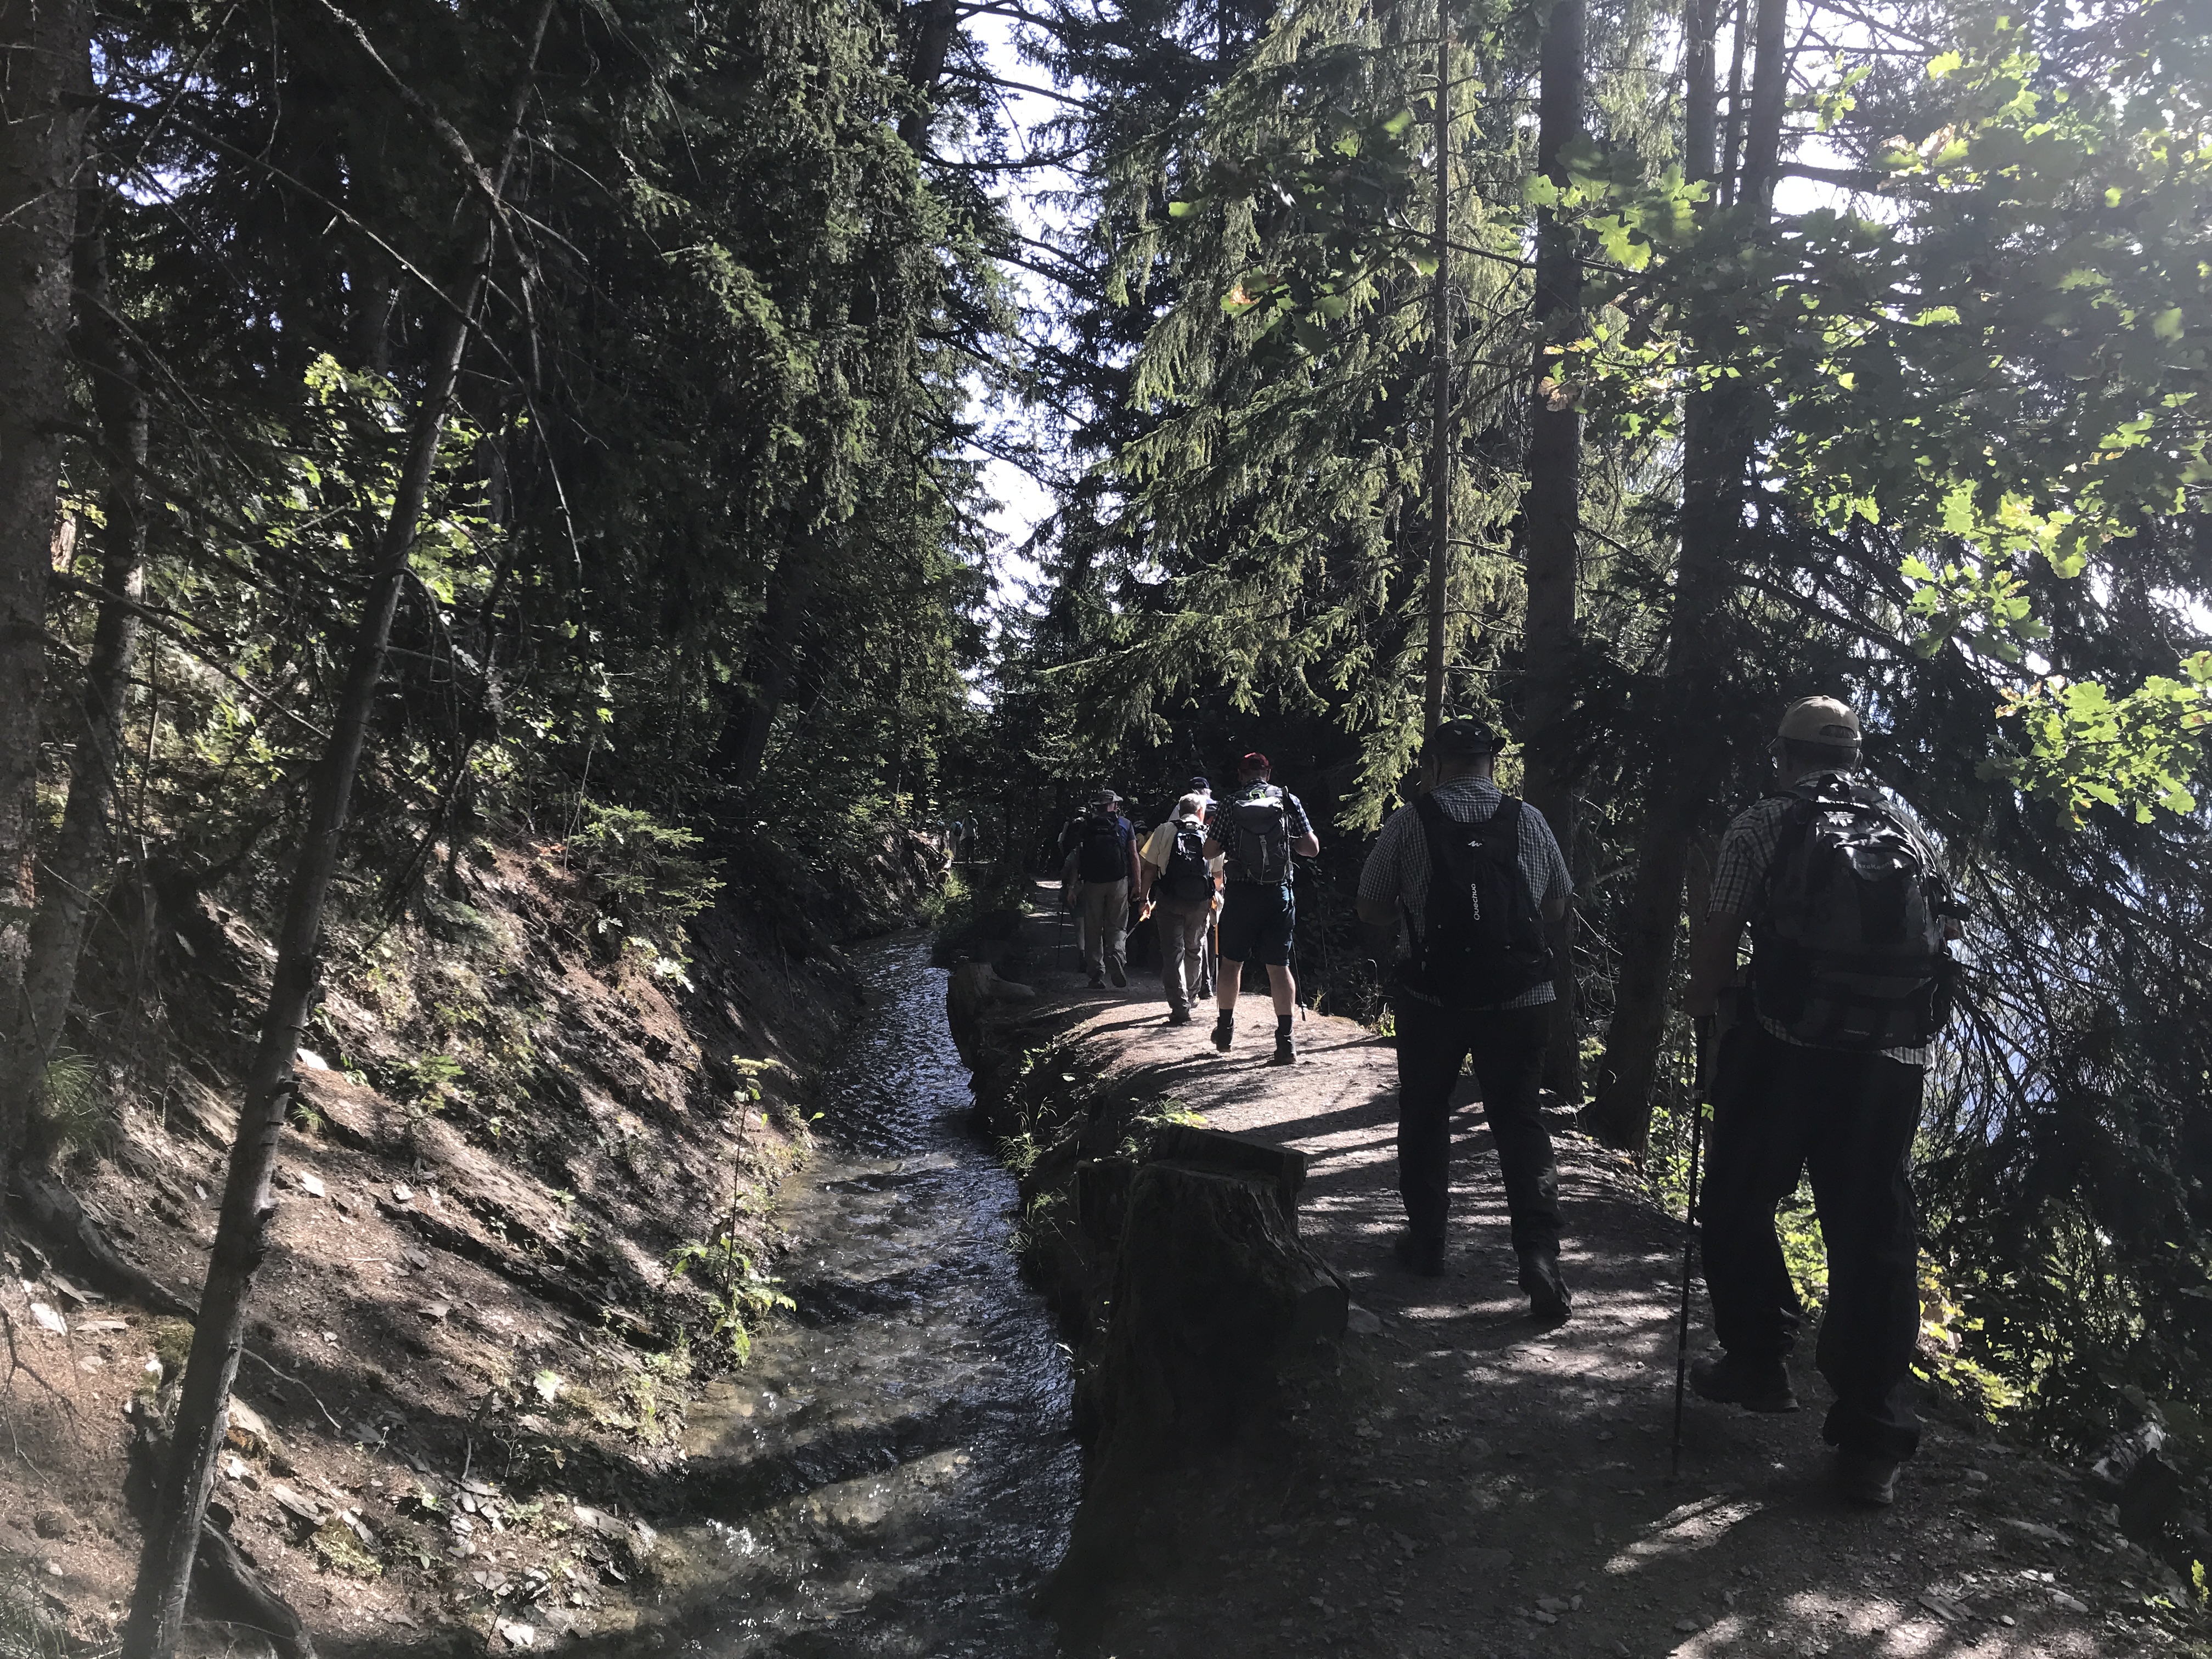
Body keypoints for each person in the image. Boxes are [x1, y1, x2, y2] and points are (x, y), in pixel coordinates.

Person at [1681, 695, 1962, 1508]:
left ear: (1783, 754)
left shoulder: (1762, 823)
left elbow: (1720, 931)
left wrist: (1702, 1000)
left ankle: (1759, 1361)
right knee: (1874, 1234)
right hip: (1889, 1062)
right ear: (1854, 757)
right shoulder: (1907, 829)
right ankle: (1874, 1441)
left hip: (1785, 1049)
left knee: (1738, 1196)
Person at [1355, 719, 1575, 1325]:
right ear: (1492, 763)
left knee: (1425, 1113)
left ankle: (1427, 1242)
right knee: (1520, 1122)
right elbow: (1556, 905)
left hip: (1434, 998)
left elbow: (1370, 905)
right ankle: (1539, 1254)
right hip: (1521, 998)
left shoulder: (1410, 821)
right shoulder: (1529, 820)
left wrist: (1413, 911)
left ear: (1436, 765)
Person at [1205, 753, 1320, 1065]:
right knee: (1279, 966)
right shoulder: (1287, 800)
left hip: (1242, 895)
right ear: (1268, 773)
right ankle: (1286, 1042)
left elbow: (1209, 851)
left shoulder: (1231, 803)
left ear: (1241, 775)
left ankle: (1225, 1031)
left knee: (1231, 964)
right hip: (1278, 895)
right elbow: (1312, 848)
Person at [1136, 792, 1222, 1025]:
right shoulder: (1210, 834)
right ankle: (1192, 996)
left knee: (1173, 953)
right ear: (1201, 812)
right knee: (1194, 949)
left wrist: (1144, 899)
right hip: (1200, 904)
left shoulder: (1164, 830)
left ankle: (1179, 1006)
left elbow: (1149, 869)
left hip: (1169, 900)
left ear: (1180, 811)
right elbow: (1218, 877)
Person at [1058, 789, 1140, 989]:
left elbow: (1078, 857)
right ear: (1114, 805)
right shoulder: (1125, 824)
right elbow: (1133, 855)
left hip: (1092, 883)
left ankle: (1096, 973)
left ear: (1097, 806)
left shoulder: (1087, 825)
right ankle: (1117, 955)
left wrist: (1072, 887)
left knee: (1093, 928)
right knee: (1117, 925)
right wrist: (1138, 884)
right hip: (1118, 881)